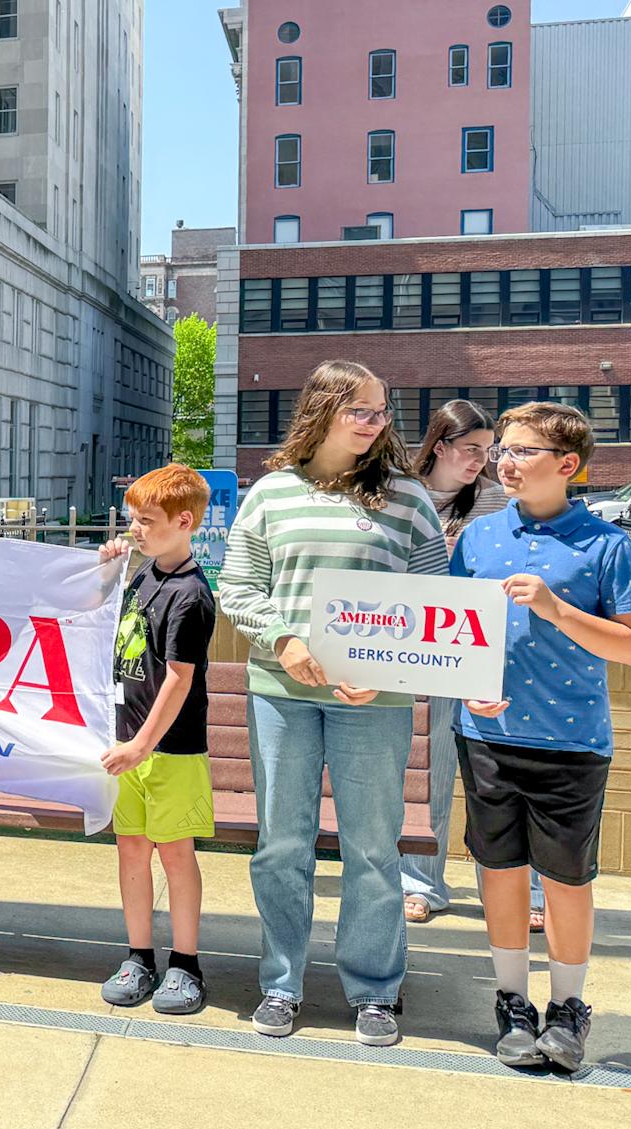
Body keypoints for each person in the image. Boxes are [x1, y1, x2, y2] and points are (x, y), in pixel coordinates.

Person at [218, 359, 449, 1047]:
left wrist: (388, 669)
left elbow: (433, 602)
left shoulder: (407, 497)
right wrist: (284, 640)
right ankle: (281, 983)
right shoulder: (270, 493)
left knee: (373, 848)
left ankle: (374, 991)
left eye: (382, 411)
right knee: (282, 844)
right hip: (281, 693)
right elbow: (238, 588)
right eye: (361, 410)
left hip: (376, 700)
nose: (376, 422)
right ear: (322, 410)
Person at [448, 402, 631, 1072]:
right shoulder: (478, 538)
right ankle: (512, 1001)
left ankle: (567, 1008)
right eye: (502, 449)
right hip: (486, 734)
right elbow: (453, 631)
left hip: (571, 741)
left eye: (521, 450)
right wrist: (466, 686)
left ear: (568, 464)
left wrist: (556, 608)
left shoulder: (607, 545)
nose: (505, 461)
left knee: (566, 879)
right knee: (500, 871)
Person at [96, 464, 216, 1014]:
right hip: (129, 746)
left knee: (175, 855)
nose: (135, 530)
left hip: (171, 751)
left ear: (183, 521)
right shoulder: (142, 576)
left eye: (146, 521)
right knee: (131, 849)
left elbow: (178, 679)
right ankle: (139, 956)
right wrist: (107, 573)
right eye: (133, 519)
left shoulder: (191, 595)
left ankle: (185, 963)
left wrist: (141, 745)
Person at [400, 400, 510, 926]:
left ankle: (516, 891)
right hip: (419, 646)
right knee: (429, 771)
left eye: (487, 451)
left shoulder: (495, 499)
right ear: (440, 445)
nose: (479, 461)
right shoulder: (401, 492)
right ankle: (421, 883)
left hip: (481, 645)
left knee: (498, 775)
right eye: (470, 449)